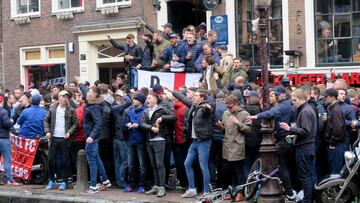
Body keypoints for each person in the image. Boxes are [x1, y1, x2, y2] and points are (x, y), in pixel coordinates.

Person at [247, 85, 296, 201]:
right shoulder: (288, 104)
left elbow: (271, 113)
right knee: (286, 166)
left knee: (282, 166)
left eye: (278, 95)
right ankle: (290, 190)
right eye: (276, 95)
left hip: (283, 139)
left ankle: (289, 192)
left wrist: (256, 116)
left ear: (284, 94)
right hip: (287, 139)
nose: (277, 97)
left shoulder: (283, 106)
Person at [172, 89, 214, 197]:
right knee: (187, 163)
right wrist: (173, 92)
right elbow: (183, 98)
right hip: (195, 141)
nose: (194, 97)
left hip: (203, 141)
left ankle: (206, 192)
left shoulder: (205, 107)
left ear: (202, 98)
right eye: (194, 95)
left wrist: (207, 108)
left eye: (196, 95)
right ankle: (192, 189)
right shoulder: (194, 106)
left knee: (203, 166)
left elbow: (208, 110)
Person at [280, 88, 318, 203]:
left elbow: (305, 131)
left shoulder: (305, 111)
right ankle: (312, 198)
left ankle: (307, 200)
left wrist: (289, 128)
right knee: (311, 174)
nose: (293, 102)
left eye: (295, 100)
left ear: (302, 99)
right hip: (309, 147)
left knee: (305, 176)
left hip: (304, 148)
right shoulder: (307, 109)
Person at [141, 93, 176, 197]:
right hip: (150, 139)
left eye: (149, 98)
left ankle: (162, 187)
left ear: (155, 100)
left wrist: (162, 118)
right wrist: (151, 128)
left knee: (160, 164)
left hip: (160, 139)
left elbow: (173, 116)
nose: (147, 100)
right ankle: (156, 186)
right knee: (154, 165)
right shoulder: (145, 111)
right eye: (147, 98)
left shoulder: (161, 109)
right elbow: (142, 123)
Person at [44, 90, 78, 190]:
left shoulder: (71, 110)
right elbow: (46, 121)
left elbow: (75, 123)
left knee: (64, 161)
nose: (65, 98)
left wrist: (69, 132)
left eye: (66, 97)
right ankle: (51, 180)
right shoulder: (52, 109)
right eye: (63, 96)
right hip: (54, 137)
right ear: (58, 98)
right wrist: (47, 131)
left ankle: (64, 181)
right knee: (50, 160)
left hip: (64, 138)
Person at [220, 94, 251, 202]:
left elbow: (248, 130)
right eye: (227, 106)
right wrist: (221, 127)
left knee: (239, 170)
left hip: (237, 145)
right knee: (229, 170)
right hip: (227, 145)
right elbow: (225, 130)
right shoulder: (225, 113)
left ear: (236, 104)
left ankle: (240, 193)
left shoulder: (244, 114)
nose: (228, 108)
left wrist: (238, 123)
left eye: (230, 106)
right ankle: (232, 192)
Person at [83, 86, 111, 194]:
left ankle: (93, 186)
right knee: (96, 158)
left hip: (91, 137)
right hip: (92, 136)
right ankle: (105, 180)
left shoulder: (94, 107)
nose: (87, 92)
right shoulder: (91, 104)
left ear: (94, 95)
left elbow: (99, 123)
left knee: (92, 161)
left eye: (89, 91)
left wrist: (91, 136)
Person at [124, 93, 148, 193]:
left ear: (141, 101)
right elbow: (125, 122)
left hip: (141, 141)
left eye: (136, 99)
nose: (133, 100)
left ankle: (142, 185)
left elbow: (146, 125)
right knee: (130, 164)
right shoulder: (130, 111)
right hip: (131, 140)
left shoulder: (145, 111)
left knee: (142, 165)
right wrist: (127, 124)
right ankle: (131, 184)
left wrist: (138, 125)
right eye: (133, 99)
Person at [323, 88, 347, 174]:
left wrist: (332, 143)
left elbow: (338, 129)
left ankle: (336, 188)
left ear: (332, 97)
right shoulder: (332, 108)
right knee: (333, 170)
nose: (324, 98)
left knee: (335, 172)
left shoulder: (336, 109)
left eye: (326, 96)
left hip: (337, 145)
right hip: (335, 144)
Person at [0, 93, 22, 186]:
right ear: (2, 100)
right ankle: (10, 180)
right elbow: (6, 123)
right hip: (3, 138)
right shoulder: (3, 111)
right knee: (7, 160)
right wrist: (12, 121)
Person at [112, 90, 132, 188]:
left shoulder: (117, 107)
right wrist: (124, 94)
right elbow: (129, 102)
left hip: (117, 137)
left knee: (118, 161)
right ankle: (121, 181)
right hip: (121, 138)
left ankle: (119, 180)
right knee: (124, 161)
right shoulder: (115, 107)